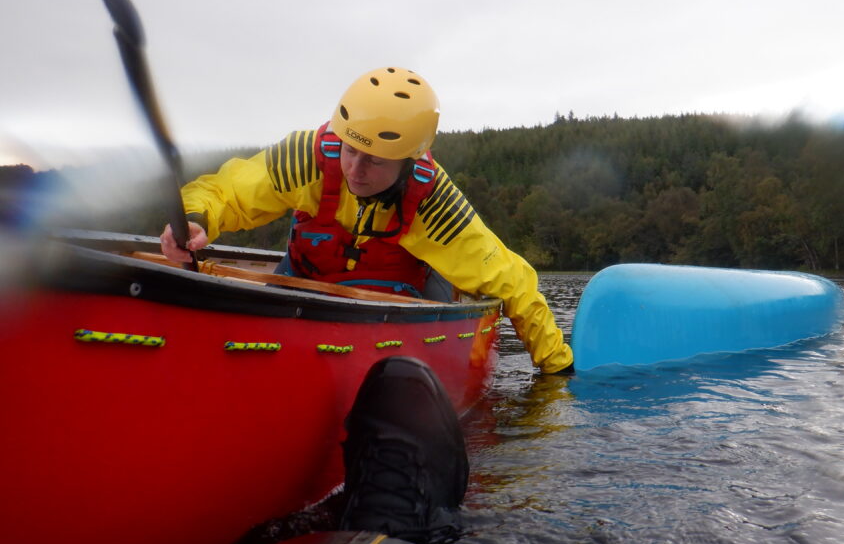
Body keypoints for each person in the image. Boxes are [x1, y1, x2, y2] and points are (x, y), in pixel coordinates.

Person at [160, 66, 573, 374]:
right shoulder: (307, 158)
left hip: (396, 296)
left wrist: (556, 372)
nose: (356, 170)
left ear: (408, 162)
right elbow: (225, 190)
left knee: (448, 286)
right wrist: (196, 219)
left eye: (375, 160)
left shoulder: (433, 203)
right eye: (350, 151)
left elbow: (513, 282)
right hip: (305, 280)